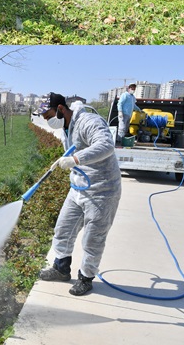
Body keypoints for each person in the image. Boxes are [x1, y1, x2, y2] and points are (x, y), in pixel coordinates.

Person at [38, 92, 122, 296]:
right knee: (63, 229)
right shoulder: (66, 126)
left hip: (102, 190)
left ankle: (86, 277)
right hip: (78, 188)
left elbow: (106, 145)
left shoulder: (88, 121)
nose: (47, 121)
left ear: (60, 109)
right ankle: (61, 268)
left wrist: (75, 160)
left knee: (93, 238)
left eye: (48, 116)